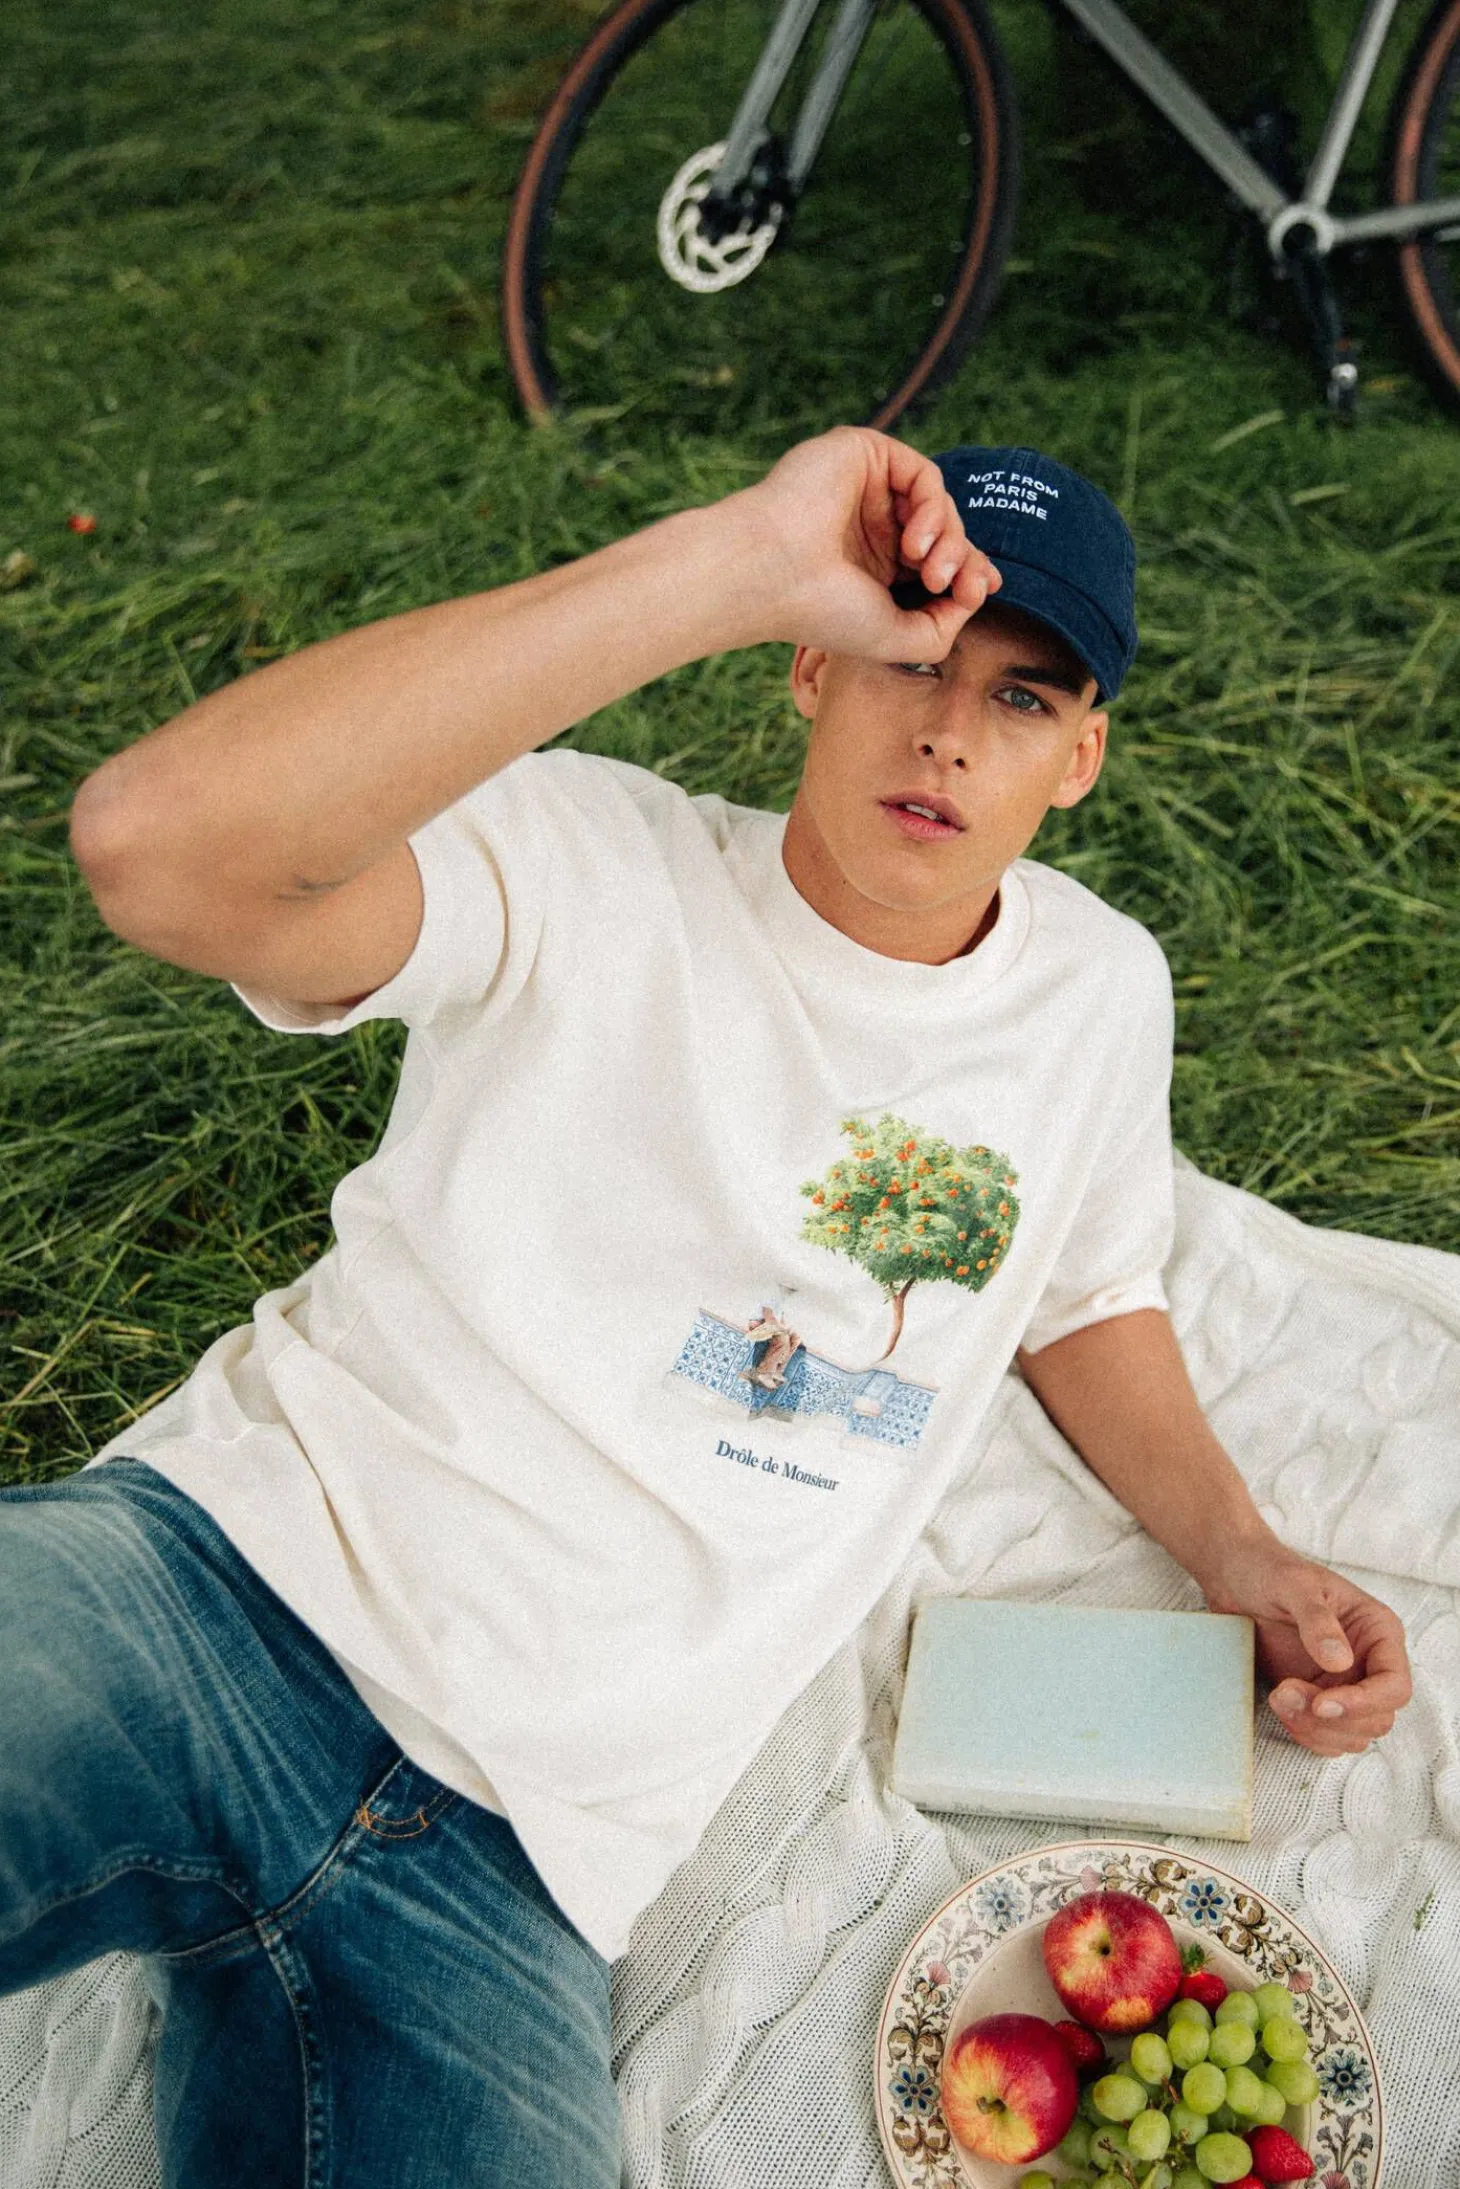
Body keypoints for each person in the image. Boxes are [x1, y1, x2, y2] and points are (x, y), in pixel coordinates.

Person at [7, 427, 1411, 2189]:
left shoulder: (1098, 996)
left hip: (520, 1867)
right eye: (908, 659)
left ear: (1082, 759)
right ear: (807, 664)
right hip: (224, 1596)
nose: (949, 733)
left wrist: (1241, 1550)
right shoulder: (588, 857)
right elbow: (157, 851)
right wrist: (727, 560)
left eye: (1021, 697)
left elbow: (1085, 1291)